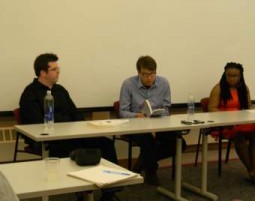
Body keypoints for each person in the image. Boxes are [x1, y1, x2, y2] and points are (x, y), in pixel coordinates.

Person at [19, 53, 119, 201]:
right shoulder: (30, 93)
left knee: (105, 143)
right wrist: (66, 123)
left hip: (72, 135)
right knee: (76, 150)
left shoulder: (60, 90)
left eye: (58, 68)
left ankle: (110, 191)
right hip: (50, 140)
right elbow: (36, 122)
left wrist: (77, 127)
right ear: (42, 72)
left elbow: (76, 114)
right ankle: (81, 192)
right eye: (54, 69)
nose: (58, 71)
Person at [119, 55, 186, 186]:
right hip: (136, 125)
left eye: (152, 74)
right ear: (138, 72)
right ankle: (151, 170)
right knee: (148, 140)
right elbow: (122, 112)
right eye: (145, 74)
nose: (149, 78)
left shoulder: (164, 83)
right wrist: (137, 115)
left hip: (159, 124)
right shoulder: (128, 84)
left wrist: (157, 117)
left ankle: (142, 162)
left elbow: (166, 109)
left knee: (179, 143)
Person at [208, 62, 255, 185]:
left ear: (240, 76)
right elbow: (212, 108)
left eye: (235, 76)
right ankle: (252, 171)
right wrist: (228, 117)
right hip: (224, 123)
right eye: (229, 75)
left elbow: (249, 107)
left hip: (240, 121)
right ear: (225, 75)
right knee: (238, 135)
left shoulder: (244, 88)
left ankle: (254, 170)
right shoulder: (218, 88)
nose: (232, 78)